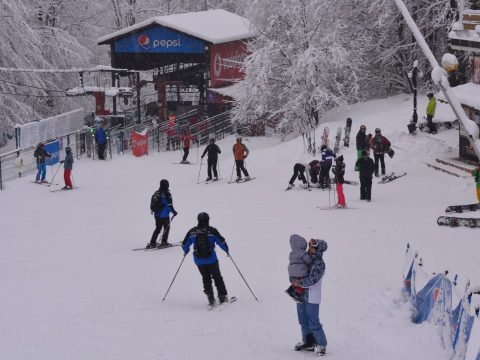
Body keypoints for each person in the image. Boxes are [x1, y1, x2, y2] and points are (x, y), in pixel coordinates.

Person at [182, 212, 229, 307]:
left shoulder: (192, 232)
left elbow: (184, 244)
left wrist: (186, 251)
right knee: (217, 277)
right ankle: (222, 297)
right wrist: (226, 250)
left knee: (206, 278)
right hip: (212, 259)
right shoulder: (212, 231)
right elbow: (221, 241)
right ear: (208, 220)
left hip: (199, 260)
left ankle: (211, 299)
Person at [292, 238, 328, 356]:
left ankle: (321, 344)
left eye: (312, 247)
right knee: (303, 320)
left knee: (313, 322)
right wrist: (294, 278)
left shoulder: (319, 264)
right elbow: (298, 271)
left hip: (312, 297)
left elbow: (313, 280)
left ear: (318, 249)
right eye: (309, 246)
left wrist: (300, 283)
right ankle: (308, 342)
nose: (309, 249)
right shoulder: (306, 260)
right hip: (301, 295)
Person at [147, 179, 178, 249]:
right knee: (167, 228)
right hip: (164, 215)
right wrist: (174, 212)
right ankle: (164, 242)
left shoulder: (156, 193)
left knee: (158, 228)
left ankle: (152, 242)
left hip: (156, 214)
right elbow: (169, 205)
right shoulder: (167, 194)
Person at [285, 234, 313, 302]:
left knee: (296, 280)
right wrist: (311, 259)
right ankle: (297, 294)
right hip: (300, 271)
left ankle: (290, 289)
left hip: (292, 271)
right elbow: (308, 260)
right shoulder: (302, 252)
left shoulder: (292, 253)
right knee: (301, 282)